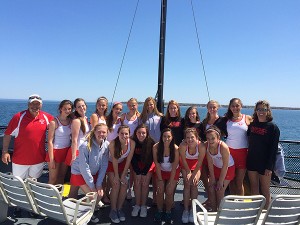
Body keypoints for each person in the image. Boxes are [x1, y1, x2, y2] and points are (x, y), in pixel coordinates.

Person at [2, 94, 53, 179]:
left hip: (38, 160)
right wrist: (5, 152)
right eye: (32, 104)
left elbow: (60, 122)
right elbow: (7, 134)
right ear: (28, 104)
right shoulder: (18, 117)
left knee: (33, 183)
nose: (35, 106)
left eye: (37, 104)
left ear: (41, 105)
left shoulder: (46, 117)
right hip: (20, 160)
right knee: (19, 184)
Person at [247, 100, 280, 209]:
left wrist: (269, 167)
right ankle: (255, 211)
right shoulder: (252, 125)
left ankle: (265, 213)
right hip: (252, 161)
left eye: (264, 109)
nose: (261, 112)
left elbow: (273, 149)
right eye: (259, 109)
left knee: (265, 190)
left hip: (265, 164)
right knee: (254, 188)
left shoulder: (273, 128)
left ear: (268, 111)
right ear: (256, 111)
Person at [70, 123, 110, 207]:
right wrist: (92, 186)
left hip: (92, 173)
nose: (101, 134)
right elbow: (84, 167)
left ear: (107, 133)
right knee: (93, 196)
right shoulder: (85, 146)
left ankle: (88, 207)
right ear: (94, 132)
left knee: (100, 194)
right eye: (99, 132)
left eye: (104, 132)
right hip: (79, 172)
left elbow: (104, 165)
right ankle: (81, 208)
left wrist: (99, 184)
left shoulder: (106, 146)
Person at [223, 98, 252, 195]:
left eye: (237, 105)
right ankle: (232, 201)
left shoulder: (247, 118)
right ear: (230, 107)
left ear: (241, 106)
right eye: (233, 106)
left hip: (243, 153)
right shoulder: (226, 119)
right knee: (231, 180)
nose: (235, 108)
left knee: (239, 182)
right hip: (229, 152)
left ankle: (240, 204)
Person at [107, 125, 135, 223]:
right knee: (116, 185)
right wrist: (116, 176)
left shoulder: (132, 143)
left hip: (122, 164)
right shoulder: (113, 144)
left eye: (126, 133)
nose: (124, 135)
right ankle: (113, 210)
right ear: (118, 134)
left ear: (129, 134)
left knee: (124, 184)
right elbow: (114, 160)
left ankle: (119, 208)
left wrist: (123, 175)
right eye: (121, 133)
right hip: (111, 164)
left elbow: (128, 160)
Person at [205, 126, 235, 211]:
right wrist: (213, 178)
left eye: (213, 138)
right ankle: (214, 211)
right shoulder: (207, 146)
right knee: (211, 188)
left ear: (218, 138)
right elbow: (210, 164)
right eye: (208, 138)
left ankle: (221, 212)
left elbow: (225, 165)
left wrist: (220, 181)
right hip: (216, 168)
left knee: (219, 190)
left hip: (228, 169)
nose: (210, 141)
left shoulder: (223, 147)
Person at [153, 128, 180, 224]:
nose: (166, 138)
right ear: (161, 137)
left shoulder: (176, 149)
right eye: (164, 136)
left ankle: (168, 211)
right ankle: (160, 211)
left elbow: (174, 167)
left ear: (172, 137)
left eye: (169, 136)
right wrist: (160, 181)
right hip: (161, 171)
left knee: (169, 191)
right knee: (159, 191)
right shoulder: (156, 147)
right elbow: (157, 164)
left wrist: (170, 182)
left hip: (173, 171)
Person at [179, 128, 205, 223]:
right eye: (187, 137)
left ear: (196, 137)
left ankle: (192, 209)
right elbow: (183, 160)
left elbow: (200, 162)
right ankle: (186, 210)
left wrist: (193, 175)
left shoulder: (201, 146)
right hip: (186, 164)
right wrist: (188, 172)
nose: (190, 140)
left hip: (196, 164)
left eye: (192, 137)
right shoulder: (182, 146)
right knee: (187, 184)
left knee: (194, 184)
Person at [66, 98, 90, 198]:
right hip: (77, 152)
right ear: (75, 109)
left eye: (83, 105)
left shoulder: (86, 119)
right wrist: (74, 155)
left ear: (86, 106)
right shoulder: (76, 121)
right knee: (77, 177)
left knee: (74, 181)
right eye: (79, 106)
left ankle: (71, 199)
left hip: (83, 151)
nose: (82, 108)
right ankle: (92, 198)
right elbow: (74, 139)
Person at [130, 124, 155, 218]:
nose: (141, 135)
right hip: (136, 165)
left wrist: (144, 172)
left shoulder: (151, 143)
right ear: (136, 133)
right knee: (137, 184)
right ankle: (137, 205)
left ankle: (143, 205)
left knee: (145, 184)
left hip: (148, 166)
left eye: (143, 133)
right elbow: (132, 158)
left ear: (147, 134)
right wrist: (137, 171)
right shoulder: (132, 142)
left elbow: (152, 159)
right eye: (139, 132)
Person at [46, 100, 73, 185]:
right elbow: (50, 141)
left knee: (62, 176)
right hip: (55, 151)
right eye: (65, 108)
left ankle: (58, 196)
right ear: (61, 109)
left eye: (69, 109)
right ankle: (48, 197)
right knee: (53, 179)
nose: (67, 111)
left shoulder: (71, 121)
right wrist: (51, 159)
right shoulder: (54, 122)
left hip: (66, 151)